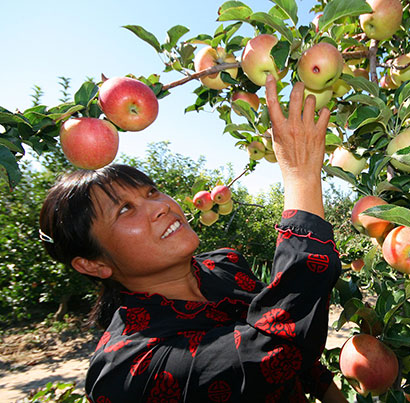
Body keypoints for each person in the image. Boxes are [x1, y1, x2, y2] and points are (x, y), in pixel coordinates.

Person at [38, 75, 348, 402]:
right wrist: (301, 177)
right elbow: (275, 353)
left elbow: (303, 363)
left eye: (152, 191)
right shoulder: (129, 370)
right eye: (125, 209)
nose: (160, 206)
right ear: (92, 263)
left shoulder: (225, 265)